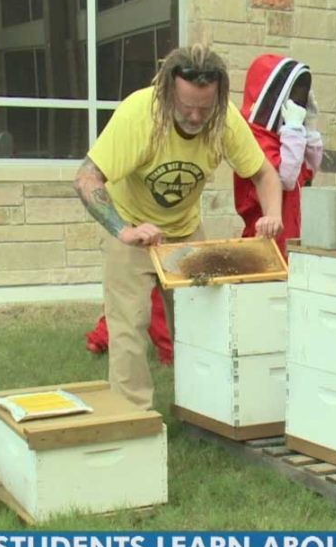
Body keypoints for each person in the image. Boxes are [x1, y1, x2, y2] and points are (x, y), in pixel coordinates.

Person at [73, 44, 284, 410]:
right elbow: (87, 178)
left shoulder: (225, 120)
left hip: (185, 233)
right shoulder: (138, 115)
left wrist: (273, 213)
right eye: (186, 106)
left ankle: (203, 410)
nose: (195, 115)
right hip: (132, 228)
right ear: (169, 91)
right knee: (129, 328)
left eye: (204, 107)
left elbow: (264, 173)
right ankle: (133, 417)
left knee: (197, 326)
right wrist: (124, 230)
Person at [234, 54, 323, 256]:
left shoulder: (284, 134)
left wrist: (309, 126)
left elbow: (309, 171)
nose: (295, 102)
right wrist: (293, 129)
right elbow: (286, 179)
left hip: (291, 230)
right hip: (264, 235)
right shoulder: (252, 134)